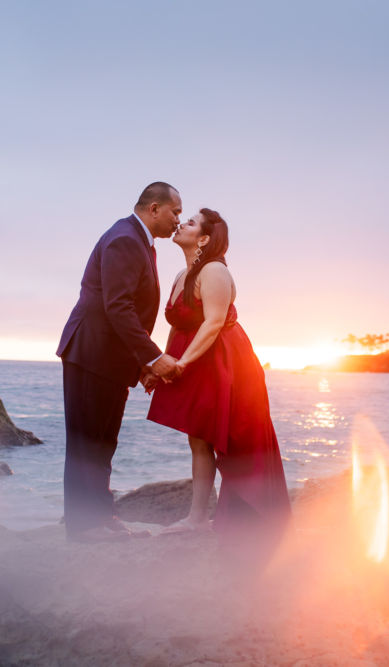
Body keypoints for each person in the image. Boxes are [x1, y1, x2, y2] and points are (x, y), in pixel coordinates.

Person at [146, 208, 291, 543]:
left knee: (228, 438)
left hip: (226, 362)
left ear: (205, 238)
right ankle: (197, 517)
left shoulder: (213, 271)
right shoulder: (182, 275)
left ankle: (246, 518)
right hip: (195, 357)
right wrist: (163, 363)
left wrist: (182, 364)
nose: (183, 223)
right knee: (197, 436)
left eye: (192, 222)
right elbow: (180, 325)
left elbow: (213, 323)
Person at [56, 182, 183, 542]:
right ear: (154, 208)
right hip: (91, 354)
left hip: (106, 358)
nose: (178, 219)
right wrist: (153, 357)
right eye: (175, 211)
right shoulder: (126, 239)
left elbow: (126, 309)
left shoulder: (137, 239)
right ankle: (85, 526)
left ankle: (96, 515)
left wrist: (139, 362)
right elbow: (118, 306)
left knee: (101, 442)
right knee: (88, 441)